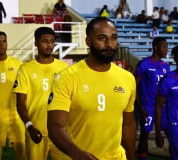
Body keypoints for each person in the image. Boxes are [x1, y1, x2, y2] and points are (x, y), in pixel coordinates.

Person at [47, 17, 136, 160]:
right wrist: (76, 153)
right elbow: (55, 126)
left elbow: (128, 124)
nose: (109, 44)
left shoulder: (127, 78)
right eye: (102, 38)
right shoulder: (67, 77)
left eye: (113, 38)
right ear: (88, 41)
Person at [13, 27, 69, 159]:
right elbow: (20, 103)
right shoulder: (25, 69)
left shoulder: (63, 68)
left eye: (52, 41)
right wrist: (29, 126)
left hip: (61, 131)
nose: (49, 45)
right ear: (36, 43)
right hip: (36, 131)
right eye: (45, 41)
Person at [0, 31, 25, 160]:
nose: (2, 44)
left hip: (15, 117)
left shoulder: (17, 64)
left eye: (4, 41)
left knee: (23, 152)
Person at [135, 37, 169, 160]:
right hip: (148, 107)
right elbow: (134, 87)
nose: (166, 50)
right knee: (144, 137)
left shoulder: (166, 66)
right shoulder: (144, 64)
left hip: (163, 107)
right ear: (155, 47)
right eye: (164, 47)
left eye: (167, 47)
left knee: (170, 133)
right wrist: (140, 108)